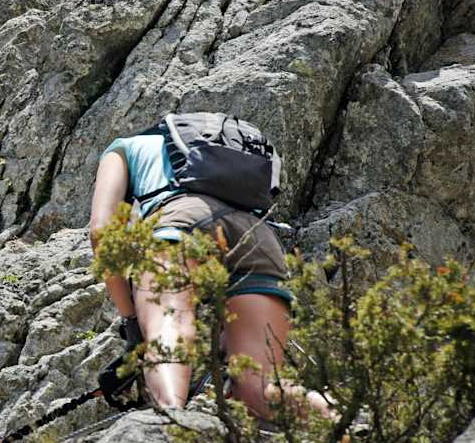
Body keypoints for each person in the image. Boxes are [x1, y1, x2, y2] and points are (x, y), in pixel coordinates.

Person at [88, 126, 329, 420]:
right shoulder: (235, 155)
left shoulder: (124, 148)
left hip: (182, 220)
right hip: (258, 238)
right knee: (259, 387)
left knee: (170, 331)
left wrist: (133, 323)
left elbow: (101, 232)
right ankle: (346, 422)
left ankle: (171, 421)